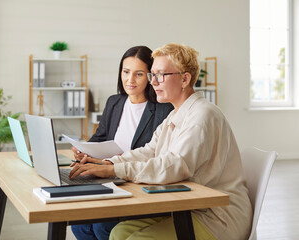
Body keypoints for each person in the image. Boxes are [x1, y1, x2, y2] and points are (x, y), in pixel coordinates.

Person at [70, 43, 253, 240]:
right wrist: (108, 163)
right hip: (191, 206)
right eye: (152, 75)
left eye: (160, 75)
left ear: (184, 79)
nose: (153, 82)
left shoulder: (202, 115)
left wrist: (114, 171)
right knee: (118, 232)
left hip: (216, 217)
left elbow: (175, 166)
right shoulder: (176, 114)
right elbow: (149, 151)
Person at [70, 45, 173, 240]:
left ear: (150, 77)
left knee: (102, 226)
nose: (130, 80)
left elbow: (157, 154)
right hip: (107, 177)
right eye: (126, 72)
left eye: (139, 74)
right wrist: (85, 151)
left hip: (133, 181)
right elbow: (100, 137)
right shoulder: (114, 102)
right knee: (80, 224)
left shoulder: (162, 109)